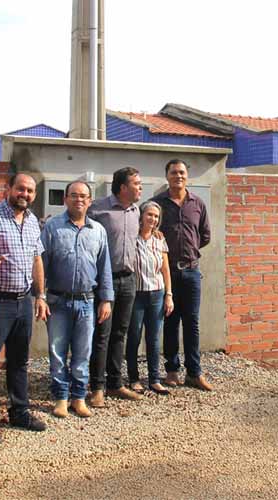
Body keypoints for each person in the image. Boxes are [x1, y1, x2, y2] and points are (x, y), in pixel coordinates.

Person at [0, 173, 48, 445]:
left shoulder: (32, 222)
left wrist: (40, 295)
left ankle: (19, 411)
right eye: (20, 189)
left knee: (19, 360)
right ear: (8, 189)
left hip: (24, 301)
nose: (24, 194)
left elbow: (36, 258)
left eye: (29, 191)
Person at [41, 181, 113, 418]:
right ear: (66, 199)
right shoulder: (52, 228)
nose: (79, 200)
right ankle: (61, 398)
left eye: (83, 196)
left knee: (83, 352)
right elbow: (42, 264)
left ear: (90, 201)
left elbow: (105, 269)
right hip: (58, 302)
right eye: (74, 195)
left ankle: (79, 397)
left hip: (87, 302)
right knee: (57, 351)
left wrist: (106, 299)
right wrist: (40, 296)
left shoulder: (98, 231)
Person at [152, 159, 213, 391]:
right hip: (166, 273)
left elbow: (205, 235)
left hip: (191, 271)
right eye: (173, 172)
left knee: (192, 323)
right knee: (170, 322)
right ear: (167, 176)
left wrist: (190, 250)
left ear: (187, 176)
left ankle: (194, 373)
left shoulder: (197, 203)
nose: (178, 176)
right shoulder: (157, 204)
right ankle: (171, 371)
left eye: (182, 172)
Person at [86, 167, 144, 406]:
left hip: (128, 279)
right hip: (104, 282)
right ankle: (96, 387)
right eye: (137, 183)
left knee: (120, 333)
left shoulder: (136, 210)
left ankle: (115, 383)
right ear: (123, 187)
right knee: (102, 334)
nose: (140, 187)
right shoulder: (98, 209)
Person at [125, 201, 174, 395]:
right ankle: (133, 378)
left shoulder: (160, 240)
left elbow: (165, 269)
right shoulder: (131, 238)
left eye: (156, 216)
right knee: (134, 337)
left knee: (153, 339)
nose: (152, 219)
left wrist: (169, 295)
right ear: (141, 216)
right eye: (149, 215)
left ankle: (154, 379)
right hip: (136, 295)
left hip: (157, 293)